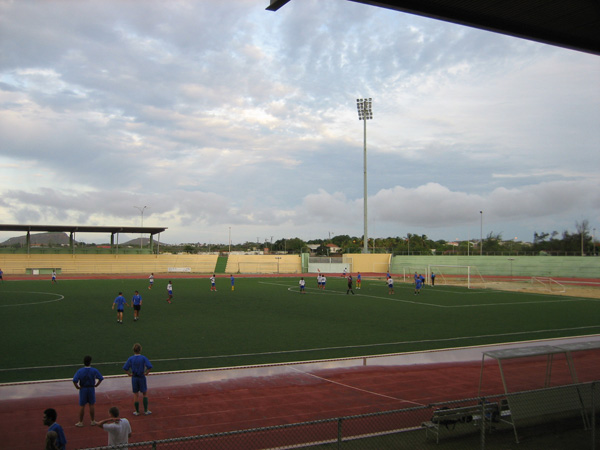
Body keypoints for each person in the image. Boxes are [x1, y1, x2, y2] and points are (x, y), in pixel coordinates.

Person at [73, 355, 104, 427]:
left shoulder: (80, 371)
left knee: (82, 406)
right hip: (91, 388)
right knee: (91, 405)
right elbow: (101, 378)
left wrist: (77, 387)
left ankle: (81, 422)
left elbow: (75, 380)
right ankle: (92, 420)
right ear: (90, 362)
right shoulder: (94, 370)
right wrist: (96, 385)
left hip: (83, 389)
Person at [123, 343, 153, 416]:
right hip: (141, 377)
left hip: (134, 378)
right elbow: (149, 366)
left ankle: (137, 411)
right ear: (140, 349)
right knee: (144, 393)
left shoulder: (131, 358)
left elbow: (125, 368)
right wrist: (146, 373)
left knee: (136, 394)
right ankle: (146, 410)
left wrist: (129, 374)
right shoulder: (143, 358)